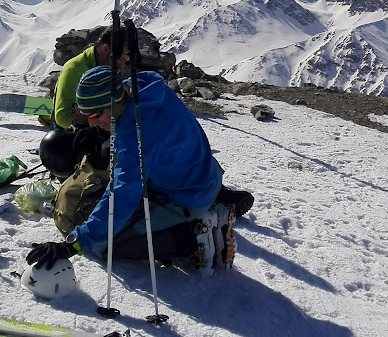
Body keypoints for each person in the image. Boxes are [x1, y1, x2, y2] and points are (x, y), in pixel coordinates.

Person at [27, 66, 253, 276]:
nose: (91, 122)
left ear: (114, 100)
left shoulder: (136, 131)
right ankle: (213, 206)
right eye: (86, 115)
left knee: (107, 244)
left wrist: (75, 243)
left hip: (187, 195)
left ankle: (193, 237)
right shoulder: (145, 88)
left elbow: (122, 193)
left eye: (95, 115)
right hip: (202, 173)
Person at [38, 28, 128, 179]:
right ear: (105, 49)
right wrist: (92, 115)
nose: (122, 65)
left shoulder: (107, 67)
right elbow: (62, 118)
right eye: (120, 59)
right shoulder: (74, 69)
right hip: (72, 134)